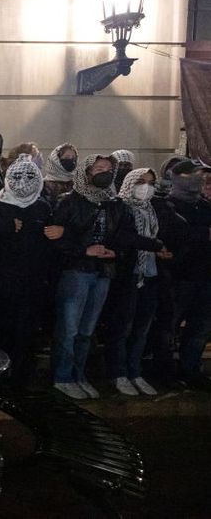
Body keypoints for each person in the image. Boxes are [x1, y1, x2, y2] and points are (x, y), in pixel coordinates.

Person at [50, 154, 162, 400]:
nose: (105, 172)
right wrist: (84, 250)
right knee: (69, 329)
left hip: (103, 271)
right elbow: (56, 238)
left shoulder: (114, 204)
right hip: (77, 270)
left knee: (87, 330)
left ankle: (79, 375)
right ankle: (62, 376)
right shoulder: (69, 201)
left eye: (109, 169)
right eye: (99, 168)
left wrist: (115, 252)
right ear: (87, 172)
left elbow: (122, 235)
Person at [0, 155, 56, 385]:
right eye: (18, 176)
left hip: (32, 281)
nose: (23, 181)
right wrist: (3, 227)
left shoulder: (43, 206)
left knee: (26, 330)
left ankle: (22, 377)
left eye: (30, 176)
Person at [104, 168, 169, 396]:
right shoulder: (119, 206)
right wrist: (155, 245)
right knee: (123, 326)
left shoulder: (152, 208)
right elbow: (123, 237)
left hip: (149, 274)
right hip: (128, 274)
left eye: (151, 183)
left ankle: (135, 371)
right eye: (141, 181)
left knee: (142, 328)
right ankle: (118, 373)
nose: (146, 186)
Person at [152, 160, 211, 390]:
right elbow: (175, 234)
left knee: (200, 326)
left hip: (205, 275)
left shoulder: (204, 206)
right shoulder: (169, 205)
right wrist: (203, 233)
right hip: (179, 276)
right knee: (169, 326)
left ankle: (190, 369)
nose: (201, 181)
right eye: (196, 175)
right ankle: (164, 372)